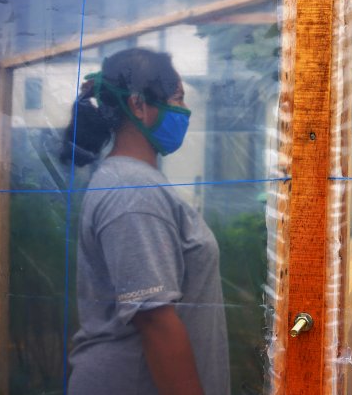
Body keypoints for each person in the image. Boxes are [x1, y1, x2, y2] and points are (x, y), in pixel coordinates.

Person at [62, 48, 229, 395]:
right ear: (138, 105)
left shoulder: (133, 180)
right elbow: (155, 322)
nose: (184, 111)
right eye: (177, 99)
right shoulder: (132, 191)